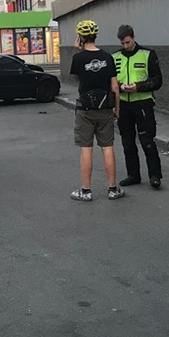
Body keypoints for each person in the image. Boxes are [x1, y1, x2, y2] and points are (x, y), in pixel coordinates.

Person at [68, 19, 125, 202]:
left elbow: (79, 79)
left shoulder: (78, 58)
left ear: (81, 37)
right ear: (95, 36)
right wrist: (116, 109)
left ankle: (86, 191)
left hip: (85, 109)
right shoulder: (108, 57)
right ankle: (112, 189)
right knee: (107, 147)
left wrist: (80, 52)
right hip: (105, 108)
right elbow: (115, 87)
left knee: (86, 149)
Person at [113, 24, 164, 189]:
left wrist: (138, 87)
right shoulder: (115, 57)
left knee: (147, 141)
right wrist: (120, 87)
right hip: (124, 104)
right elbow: (110, 82)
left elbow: (157, 81)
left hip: (143, 103)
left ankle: (155, 176)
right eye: (122, 43)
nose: (125, 46)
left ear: (133, 37)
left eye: (128, 42)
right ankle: (133, 175)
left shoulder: (147, 54)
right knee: (127, 142)